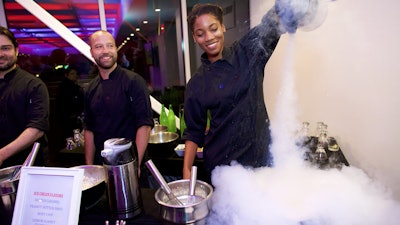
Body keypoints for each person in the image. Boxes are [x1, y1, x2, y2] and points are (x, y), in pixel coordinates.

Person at [182, 2, 307, 180]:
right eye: (200, 34)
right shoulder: (196, 83)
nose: (209, 37)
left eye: (213, 28)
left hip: (261, 160)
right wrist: (186, 170)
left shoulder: (247, 52)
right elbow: (194, 132)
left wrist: (290, 5)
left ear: (223, 27)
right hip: (223, 169)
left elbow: (270, 24)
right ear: (194, 38)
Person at [83, 30, 153, 171]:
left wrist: (135, 166)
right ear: (91, 52)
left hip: (130, 164)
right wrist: (89, 167)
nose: (105, 51)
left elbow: (144, 126)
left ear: (116, 49)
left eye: (110, 46)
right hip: (101, 165)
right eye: (99, 47)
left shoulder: (134, 81)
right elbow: (89, 130)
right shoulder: (90, 88)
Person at [0, 26, 49, 168]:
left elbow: (36, 129)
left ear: (16, 50)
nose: (1, 54)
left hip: (27, 169)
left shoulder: (33, 85)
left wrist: (2, 154)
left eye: (6, 48)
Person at [55, 66, 84, 142]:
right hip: (70, 116)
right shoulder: (68, 88)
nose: (75, 75)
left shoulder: (72, 87)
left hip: (70, 116)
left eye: (75, 74)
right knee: (73, 134)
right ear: (66, 75)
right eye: (72, 74)